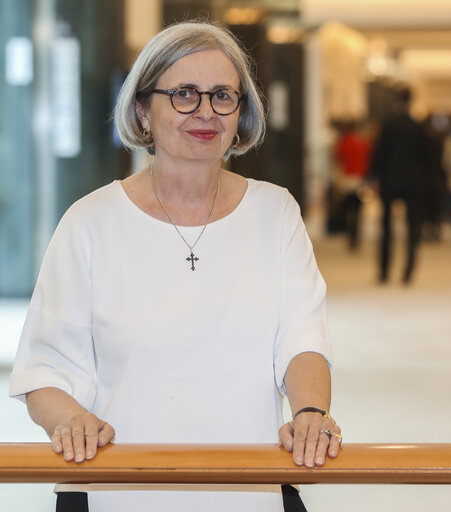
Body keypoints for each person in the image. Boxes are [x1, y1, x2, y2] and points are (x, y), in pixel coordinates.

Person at [9, 21, 340, 512]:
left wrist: (311, 411)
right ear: (142, 109)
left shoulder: (277, 213)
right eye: (184, 93)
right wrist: (69, 420)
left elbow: (302, 340)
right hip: (115, 492)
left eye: (223, 95)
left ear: (240, 111)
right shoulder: (88, 222)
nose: (205, 112)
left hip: (250, 491)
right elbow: (46, 369)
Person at [368, 88, 431, 285]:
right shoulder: (418, 126)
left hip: (390, 180)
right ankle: (408, 272)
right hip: (414, 182)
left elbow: (378, 153)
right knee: (413, 229)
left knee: (386, 228)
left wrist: (373, 176)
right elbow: (426, 157)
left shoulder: (388, 125)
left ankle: (384, 272)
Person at [333, 120, 371, 251]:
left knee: (347, 208)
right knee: (357, 209)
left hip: (347, 179)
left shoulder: (343, 142)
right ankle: (356, 236)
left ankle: (350, 235)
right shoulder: (363, 142)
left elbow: (337, 159)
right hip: (360, 178)